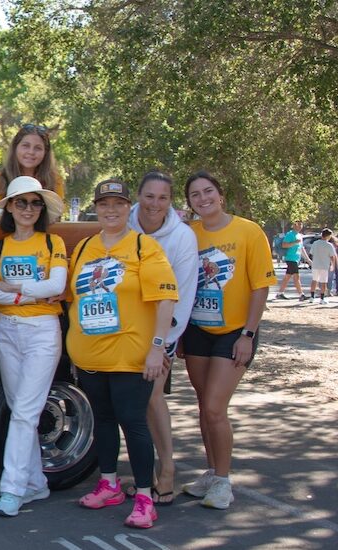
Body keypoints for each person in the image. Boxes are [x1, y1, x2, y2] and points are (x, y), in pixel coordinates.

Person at [66, 179, 177, 529]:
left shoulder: (144, 247)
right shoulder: (84, 248)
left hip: (131, 356)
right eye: (104, 204)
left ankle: (145, 496)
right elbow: (75, 298)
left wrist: (157, 350)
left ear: (128, 207)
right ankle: (109, 484)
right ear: (95, 208)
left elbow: (166, 298)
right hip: (90, 356)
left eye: (117, 203)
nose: (110, 210)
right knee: (102, 421)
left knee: (134, 423)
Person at [179, 171, 276, 510]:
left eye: (208, 191)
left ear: (220, 194)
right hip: (196, 331)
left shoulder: (249, 231)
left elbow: (259, 287)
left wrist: (248, 334)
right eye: (195, 195)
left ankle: (223, 481)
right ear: (189, 202)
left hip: (235, 332)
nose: (203, 199)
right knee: (203, 405)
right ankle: (210, 471)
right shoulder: (189, 233)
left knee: (216, 408)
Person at [0, 176, 67, 517]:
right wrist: (34, 289)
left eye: (35, 203)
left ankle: (12, 489)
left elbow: (58, 284)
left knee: (24, 413)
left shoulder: (53, 242)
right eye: (21, 202)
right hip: (7, 331)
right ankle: (36, 485)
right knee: (20, 409)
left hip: (43, 331)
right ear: (10, 208)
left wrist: (12, 286)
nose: (28, 209)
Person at [124, 171, 199, 506]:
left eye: (163, 198)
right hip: (124, 329)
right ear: (139, 195)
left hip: (160, 331)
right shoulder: (122, 224)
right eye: (149, 196)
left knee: (153, 397)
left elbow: (182, 294)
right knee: (129, 404)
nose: (155, 204)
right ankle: (144, 476)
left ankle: (166, 470)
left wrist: (162, 343)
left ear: (171, 202)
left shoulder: (181, 238)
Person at [0, 124, 66, 221]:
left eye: (38, 148)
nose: (31, 152)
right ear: (15, 148)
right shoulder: (0, 179)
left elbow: (57, 217)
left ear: (45, 153)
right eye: (26, 146)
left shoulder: (55, 180)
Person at [276, 220, 308, 301]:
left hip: (296, 259)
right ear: (294, 225)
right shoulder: (290, 234)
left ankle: (280, 293)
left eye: (301, 225)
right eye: (298, 224)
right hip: (290, 258)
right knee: (296, 276)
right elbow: (284, 245)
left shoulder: (300, 235)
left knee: (287, 276)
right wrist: (294, 242)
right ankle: (301, 294)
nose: (300, 226)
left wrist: (307, 259)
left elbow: (301, 248)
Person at [307, 228, 338, 304]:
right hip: (324, 265)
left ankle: (312, 297)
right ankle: (322, 298)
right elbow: (332, 256)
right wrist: (333, 265)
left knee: (314, 281)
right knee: (323, 282)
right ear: (328, 236)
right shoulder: (329, 245)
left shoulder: (315, 243)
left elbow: (311, 253)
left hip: (316, 264)